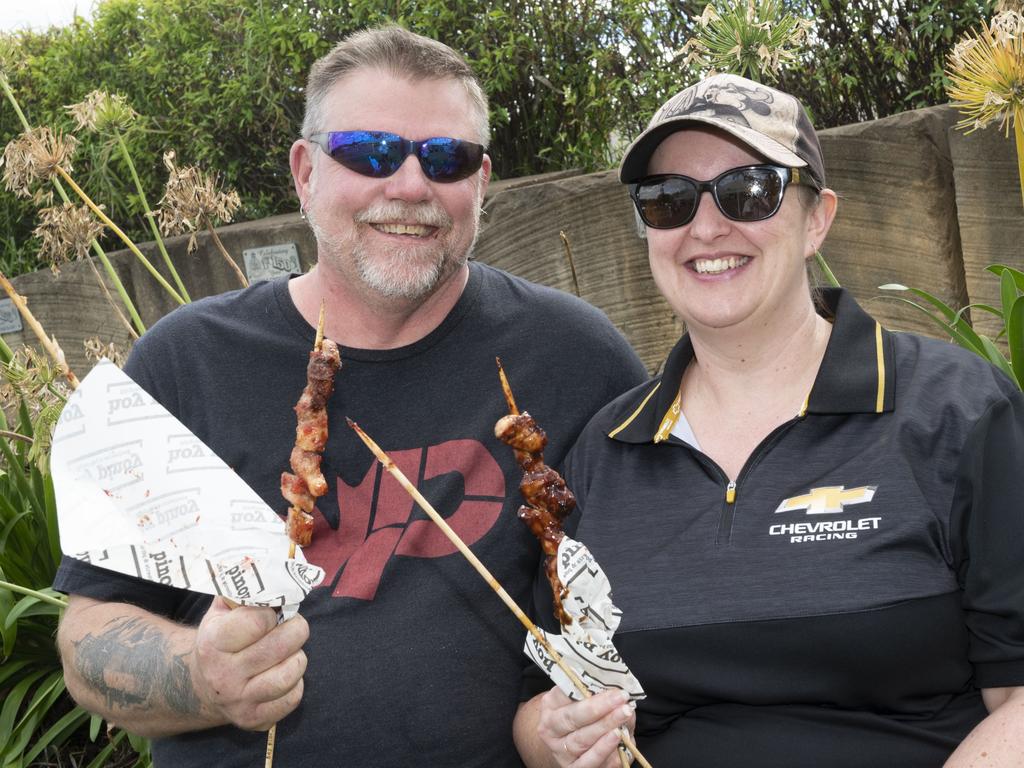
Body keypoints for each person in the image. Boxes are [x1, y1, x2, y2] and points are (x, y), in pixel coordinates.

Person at [53, 25, 647, 768]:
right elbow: (88, 639)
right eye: (369, 152)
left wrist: (562, 722)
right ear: (305, 172)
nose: (409, 185)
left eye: (445, 157)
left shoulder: (576, 356)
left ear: (481, 182)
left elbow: (659, 586)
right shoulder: (183, 363)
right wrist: (201, 678)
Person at [513, 73, 1024, 768]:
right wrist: (554, 735)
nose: (706, 226)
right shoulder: (602, 455)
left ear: (818, 218)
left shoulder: (958, 410)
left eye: (749, 191)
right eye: (669, 201)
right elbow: (538, 709)